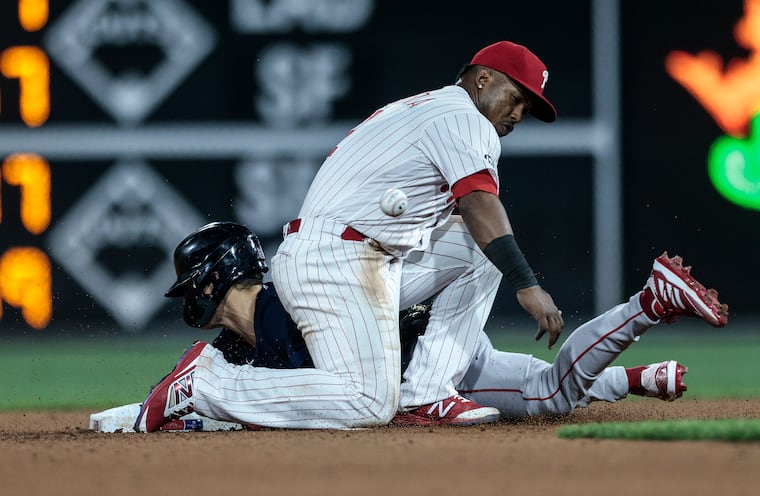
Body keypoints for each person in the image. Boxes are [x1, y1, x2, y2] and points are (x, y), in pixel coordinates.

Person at [138, 39, 568, 430]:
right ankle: (207, 384)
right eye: (516, 98)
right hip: (337, 261)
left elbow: (468, 220)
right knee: (369, 402)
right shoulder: (464, 118)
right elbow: (478, 202)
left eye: (526, 108)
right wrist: (526, 284)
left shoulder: (427, 109)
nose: (517, 114)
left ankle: (428, 394)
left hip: (360, 257)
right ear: (483, 78)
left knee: (479, 247)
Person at [134, 221, 728, 431]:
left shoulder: (295, 293)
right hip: (443, 358)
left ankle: (645, 312)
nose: (192, 298)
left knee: (546, 394)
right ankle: (646, 312)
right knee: (552, 395)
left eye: (194, 284)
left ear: (215, 277)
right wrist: (124, 422)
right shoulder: (238, 345)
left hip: (432, 357)